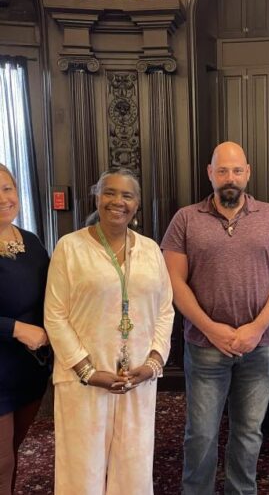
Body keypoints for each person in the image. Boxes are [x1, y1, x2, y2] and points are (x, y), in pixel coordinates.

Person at [162, 141, 269, 494]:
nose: (230, 178)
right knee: (201, 434)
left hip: (259, 346)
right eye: (222, 170)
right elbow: (174, 282)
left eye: (237, 170)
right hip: (205, 347)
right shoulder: (186, 218)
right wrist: (211, 329)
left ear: (248, 173)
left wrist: (256, 328)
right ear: (210, 173)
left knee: (249, 433)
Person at [44, 168, 174, 495]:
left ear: (138, 204)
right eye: (110, 193)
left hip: (137, 379)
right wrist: (87, 370)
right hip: (83, 380)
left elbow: (165, 309)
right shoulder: (69, 248)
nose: (118, 201)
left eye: (127, 195)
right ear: (97, 197)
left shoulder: (150, 250)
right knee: (81, 467)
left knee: (134, 463)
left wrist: (153, 363)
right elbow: (55, 315)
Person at [0, 163, 51, 495]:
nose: (4, 198)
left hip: (29, 373)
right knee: (1, 463)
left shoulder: (30, 241)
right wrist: (14, 328)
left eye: (7, 188)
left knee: (12, 455)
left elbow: (54, 296)